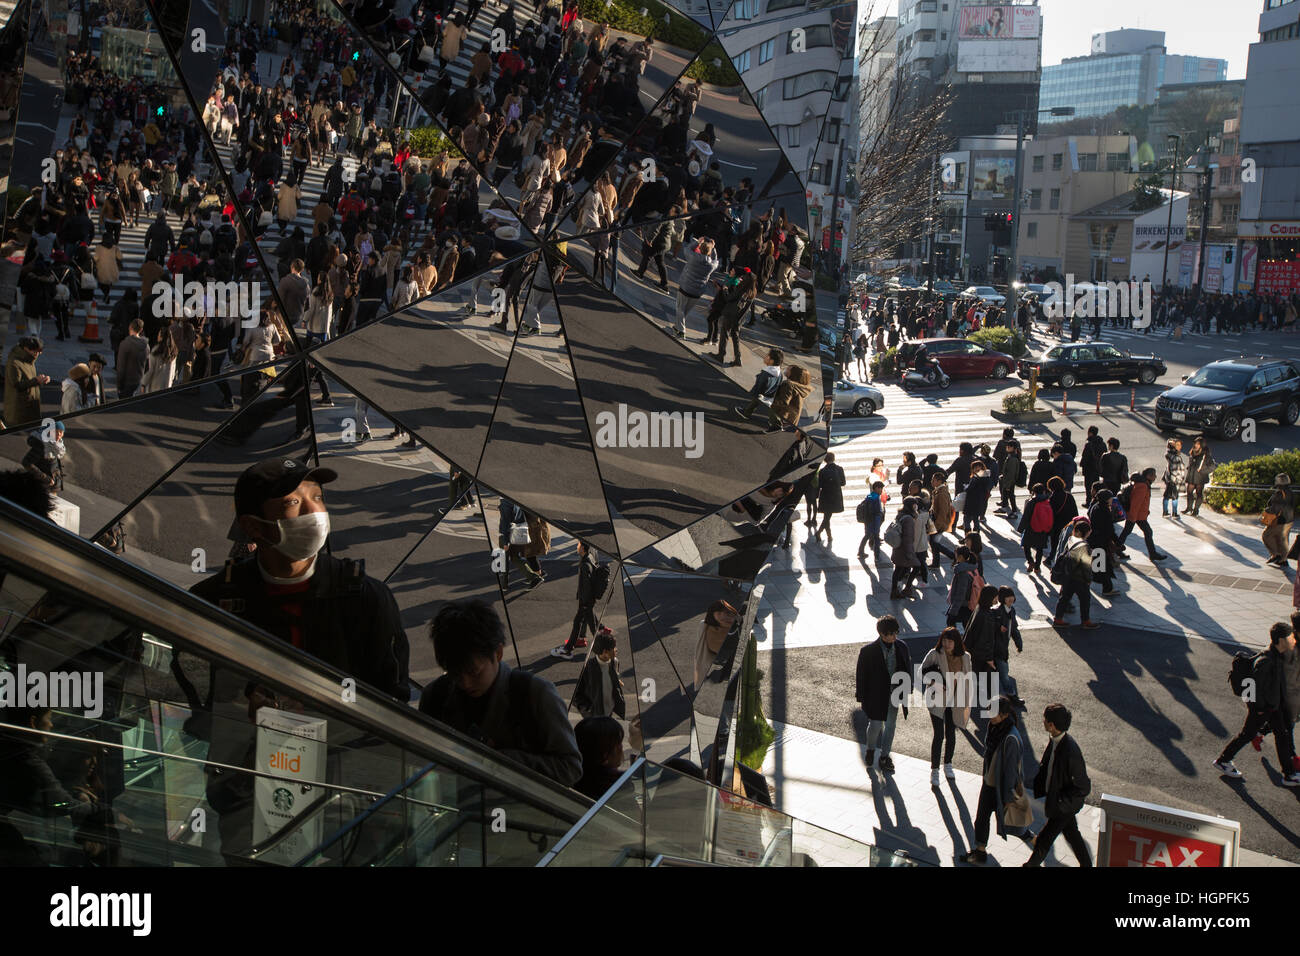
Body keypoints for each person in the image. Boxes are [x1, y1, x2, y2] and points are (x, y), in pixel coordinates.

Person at [190, 458, 409, 700]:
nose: (314, 513)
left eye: (317, 497)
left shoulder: (366, 597)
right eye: (293, 502)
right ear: (253, 527)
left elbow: (392, 697)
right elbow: (195, 690)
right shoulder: (213, 600)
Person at [420, 600, 582, 787]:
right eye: (455, 673)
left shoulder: (535, 694)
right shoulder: (435, 697)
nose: (464, 683)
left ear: (497, 653)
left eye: (474, 672)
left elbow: (570, 768)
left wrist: (502, 761)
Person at [1213, 620, 1300, 786]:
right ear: (1281, 641)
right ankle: (1223, 760)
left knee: (1282, 736)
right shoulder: (1266, 661)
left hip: (1272, 707)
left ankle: (1289, 775)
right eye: (1290, 638)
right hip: (1262, 709)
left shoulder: (1278, 656)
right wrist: (1259, 709)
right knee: (1247, 734)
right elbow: (1254, 688)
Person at [959, 695, 1027, 864]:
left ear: (1004, 715)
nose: (989, 714)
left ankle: (1037, 843)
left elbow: (1011, 771)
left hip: (1001, 788)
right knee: (981, 818)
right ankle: (980, 852)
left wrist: (1007, 796)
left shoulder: (1011, 737)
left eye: (993, 712)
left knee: (1016, 827)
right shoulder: (993, 726)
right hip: (989, 783)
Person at [1024, 703, 1093, 867]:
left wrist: (1062, 801)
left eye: (1045, 719)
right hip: (1060, 802)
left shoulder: (1070, 750)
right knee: (1072, 835)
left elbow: (1084, 786)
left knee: (1045, 839)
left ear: (1051, 725)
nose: (1043, 721)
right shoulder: (1056, 740)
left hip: (1063, 805)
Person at [855, 615, 912, 773]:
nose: (894, 637)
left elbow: (907, 668)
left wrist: (907, 689)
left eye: (896, 633)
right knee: (874, 725)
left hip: (894, 693)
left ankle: (885, 756)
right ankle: (870, 749)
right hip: (876, 695)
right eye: (891, 634)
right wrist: (861, 696)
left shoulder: (902, 647)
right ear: (882, 634)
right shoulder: (868, 651)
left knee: (891, 726)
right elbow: (861, 675)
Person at [921, 626, 972, 785]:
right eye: (944, 640)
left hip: (955, 700)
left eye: (950, 641)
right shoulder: (935, 654)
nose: (947, 644)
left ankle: (948, 764)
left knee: (951, 733)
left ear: (957, 642)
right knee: (939, 735)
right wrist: (936, 683)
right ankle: (935, 770)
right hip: (937, 699)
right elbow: (922, 672)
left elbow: (968, 678)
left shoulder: (965, 657)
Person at [552, 541, 608, 659]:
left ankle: (602, 651)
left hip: (586, 602)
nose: (576, 547)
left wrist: (584, 603)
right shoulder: (589, 557)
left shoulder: (585, 565)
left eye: (578, 545)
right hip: (588, 601)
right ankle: (571, 647)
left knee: (587, 626)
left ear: (583, 548)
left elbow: (586, 586)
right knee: (582, 624)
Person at [1052, 518, 1099, 629]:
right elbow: (1086, 566)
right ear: (1086, 533)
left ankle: (1058, 619)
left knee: (1064, 598)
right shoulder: (1084, 545)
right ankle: (1086, 621)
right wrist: (1088, 579)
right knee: (1085, 600)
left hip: (1068, 576)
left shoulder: (1071, 540)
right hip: (1079, 578)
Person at [572, 627, 626, 720]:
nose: (616, 650)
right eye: (613, 648)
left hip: (610, 711)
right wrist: (588, 711)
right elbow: (577, 695)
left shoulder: (614, 662)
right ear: (605, 652)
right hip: (595, 715)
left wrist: (617, 681)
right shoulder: (589, 667)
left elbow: (614, 677)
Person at [1118, 468, 1167, 561]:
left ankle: (1117, 549)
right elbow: (1135, 503)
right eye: (1154, 475)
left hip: (1138, 515)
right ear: (1148, 476)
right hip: (1137, 516)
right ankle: (1152, 554)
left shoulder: (1143, 484)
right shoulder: (1142, 486)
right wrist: (1132, 517)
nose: (1155, 477)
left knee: (1127, 532)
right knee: (1146, 532)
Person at [573, 716, 625, 800]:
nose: (621, 747)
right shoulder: (619, 785)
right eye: (618, 743)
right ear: (605, 755)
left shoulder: (573, 778)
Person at [4, 337, 50, 427]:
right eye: (36, 351)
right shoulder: (14, 363)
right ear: (26, 348)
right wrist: (36, 381)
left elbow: (29, 378)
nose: (38, 354)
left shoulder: (29, 359)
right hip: (19, 408)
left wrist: (40, 380)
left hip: (29, 403)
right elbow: (17, 384)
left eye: (40, 351)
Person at [992, 586, 1025, 707]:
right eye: (1008, 596)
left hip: (1003, 647)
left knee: (998, 673)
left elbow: (1014, 629)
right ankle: (1011, 695)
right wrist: (998, 627)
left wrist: (1019, 643)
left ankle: (995, 697)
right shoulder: (996, 611)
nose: (1011, 598)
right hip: (997, 648)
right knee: (1004, 673)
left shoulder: (1012, 610)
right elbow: (989, 625)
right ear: (1002, 598)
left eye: (1012, 596)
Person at [888, 496, 922, 599]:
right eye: (915, 505)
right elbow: (908, 538)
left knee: (898, 569)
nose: (916, 507)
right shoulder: (908, 519)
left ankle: (895, 591)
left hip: (898, 548)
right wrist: (909, 553)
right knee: (917, 566)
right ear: (912, 506)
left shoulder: (901, 515)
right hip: (904, 550)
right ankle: (906, 589)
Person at [1262, 475, 1295, 570]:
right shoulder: (1290, 492)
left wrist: (1267, 511)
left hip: (1279, 520)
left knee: (1266, 535)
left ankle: (1276, 554)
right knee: (1283, 540)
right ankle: (1283, 560)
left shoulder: (1280, 493)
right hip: (1289, 519)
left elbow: (1275, 507)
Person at [1019, 483, 1052, 572]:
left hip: (1031, 528)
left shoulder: (1032, 502)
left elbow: (1026, 516)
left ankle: (1030, 562)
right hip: (1042, 529)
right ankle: (1037, 567)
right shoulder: (1047, 502)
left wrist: (1021, 528)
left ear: (1034, 492)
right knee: (1039, 548)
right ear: (1044, 491)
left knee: (1026, 546)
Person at [814, 453, 846, 545]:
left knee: (827, 516)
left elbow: (819, 485)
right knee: (827, 517)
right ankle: (820, 533)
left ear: (825, 460)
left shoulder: (822, 471)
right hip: (835, 495)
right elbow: (843, 483)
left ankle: (828, 535)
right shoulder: (839, 469)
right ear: (834, 458)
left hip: (825, 495)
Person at [1185, 437, 1215, 517]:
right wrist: (1189, 467)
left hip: (1200, 477)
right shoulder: (1193, 452)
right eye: (1195, 443)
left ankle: (1196, 510)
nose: (1196, 445)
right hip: (1192, 475)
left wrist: (1203, 471)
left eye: (1198, 444)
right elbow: (1191, 462)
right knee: (1189, 492)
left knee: (1199, 493)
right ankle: (1189, 508)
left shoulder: (1206, 455)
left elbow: (1212, 467)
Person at [857, 480, 885, 558]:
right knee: (876, 537)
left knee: (867, 536)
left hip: (868, 520)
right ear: (876, 488)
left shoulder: (869, 496)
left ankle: (860, 551)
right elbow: (875, 511)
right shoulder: (875, 497)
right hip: (874, 521)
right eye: (880, 489)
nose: (881, 491)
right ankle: (877, 556)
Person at [1161, 438, 1187, 519]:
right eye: (1177, 445)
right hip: (1174, 480)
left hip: (1169, 478)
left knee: (1167, 495)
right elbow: (1175, 470)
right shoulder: (1175, 457)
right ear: (1173, 447)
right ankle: (1174, 513)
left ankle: (1165, 512)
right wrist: (1177, 479)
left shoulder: (1169, 454)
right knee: (1174, 497)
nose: (1180, 446)